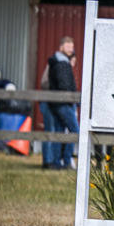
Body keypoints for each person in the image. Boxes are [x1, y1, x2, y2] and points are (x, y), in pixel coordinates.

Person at [47, 36, 78, 169]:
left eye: (72, 47)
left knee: (59, 132)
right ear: (61, 47)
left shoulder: (59, 61)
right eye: (67, 46)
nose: (70, 49)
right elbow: (64, 84)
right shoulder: (62, 63)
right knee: (75, 131)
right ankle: (66, 161)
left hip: (57, 103)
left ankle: (56, 163)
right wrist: (72, 99)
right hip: (64, 103)